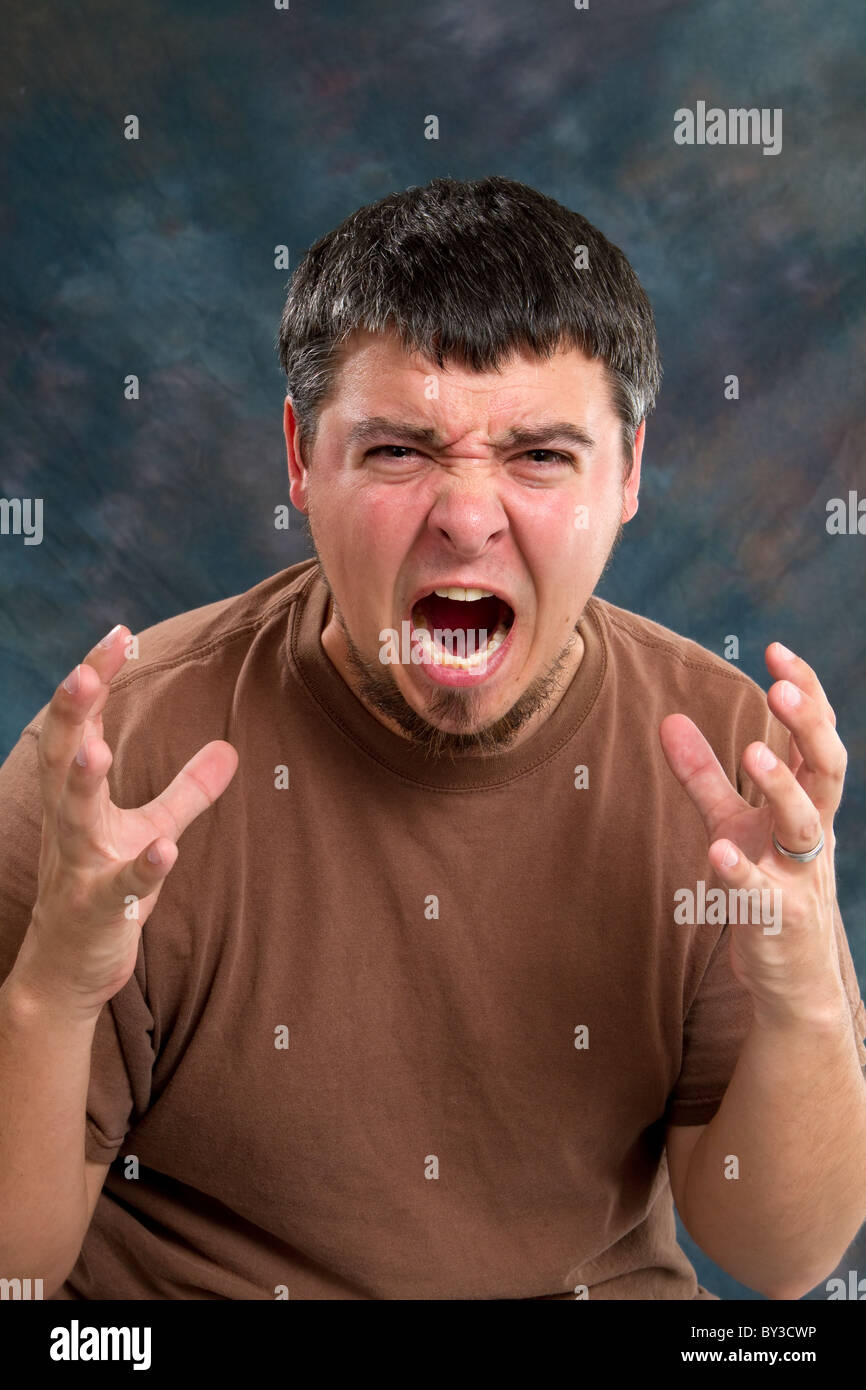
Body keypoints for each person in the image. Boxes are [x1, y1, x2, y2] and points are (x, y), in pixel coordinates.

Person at [0, 175, 864, 1302]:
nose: (465, 515)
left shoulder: (720, 766)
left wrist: (798, 986)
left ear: (629, 474)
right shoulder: (118, 761)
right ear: (302, 459)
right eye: (400, 451)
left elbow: (778, 1258)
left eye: (541, 456)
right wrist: (53, 991)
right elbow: (14, 1270)